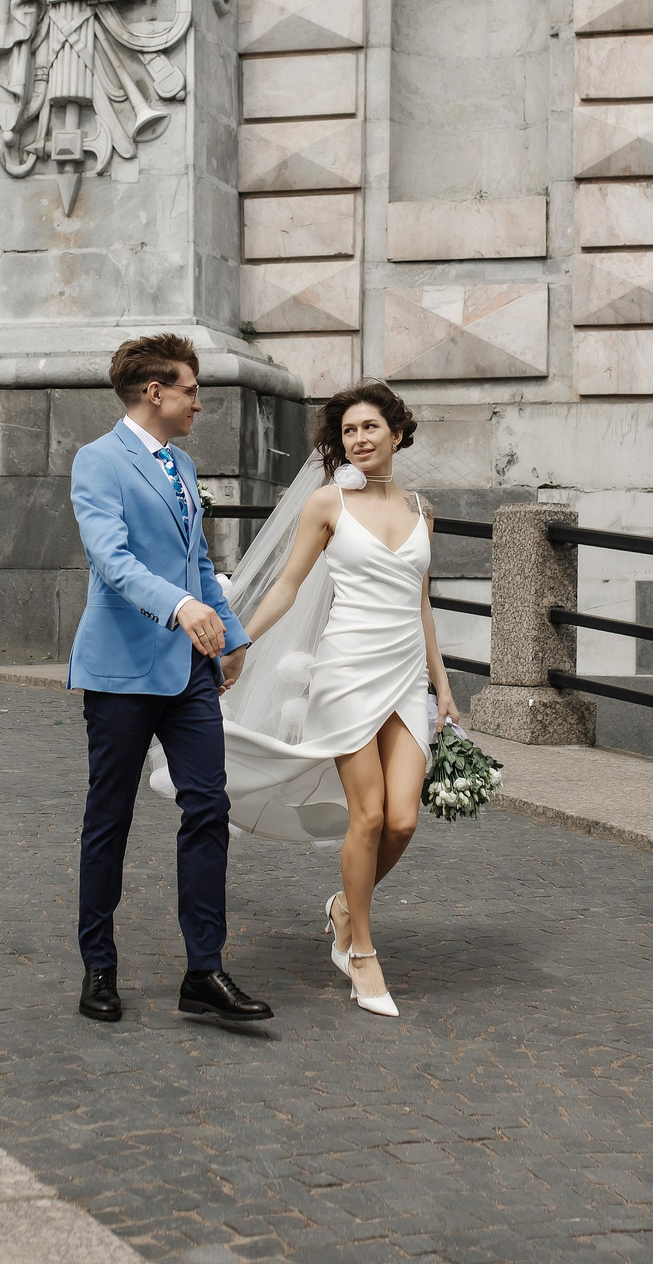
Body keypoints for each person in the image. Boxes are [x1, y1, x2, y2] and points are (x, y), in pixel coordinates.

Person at [200, 381, 460, 1018]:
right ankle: (361, 953)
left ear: (397, 433)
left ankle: (345, 905)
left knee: (402, 820)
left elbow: (420, 604)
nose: (360, 440)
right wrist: (240, 645)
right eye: (349, 431)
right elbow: (288, 587)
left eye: (371, 427)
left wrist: (443, 684)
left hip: (405, 679)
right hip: (345, 673)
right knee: (366, 817)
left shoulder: (423, 510)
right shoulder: (327, 504)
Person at [67, 332, 273, 1028]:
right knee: (110, 818)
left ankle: (204, 971)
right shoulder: (97, 462)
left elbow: (197, 563)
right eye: (189, 388)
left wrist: (230, 631)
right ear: (154, 392)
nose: (198, 401)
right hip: (122, 671)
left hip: (189, 672)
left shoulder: (182, 464)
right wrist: (181, 608)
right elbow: (111, 560)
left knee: (208, 807)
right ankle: (99, 963)